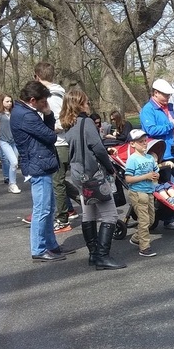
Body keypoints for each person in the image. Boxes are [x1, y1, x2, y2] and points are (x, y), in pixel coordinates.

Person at [61, 90, 126, 270]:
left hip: (78, 173)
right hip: (92, 174)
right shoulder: (86, 122)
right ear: (78, 104)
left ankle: (93, 254)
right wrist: (110, 168)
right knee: (110, 215)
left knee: (88, 213)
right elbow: (98, 148)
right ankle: (102, 256)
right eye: (86, 102)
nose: (88, 104)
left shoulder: (69, 124)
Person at [11, 81, 75, 262]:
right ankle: (39, 249)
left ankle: (51, 245)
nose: (44, 104)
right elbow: (50, 135)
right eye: (43, 101)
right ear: (32, 100)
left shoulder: (24, 111)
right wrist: (48, 114)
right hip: (37, 166)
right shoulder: (26, 116)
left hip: (41, 163)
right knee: (42, 210)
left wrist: (46, 115)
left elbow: (46, 133)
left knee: (48, 208)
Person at [34, 62, 74, 234]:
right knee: (58, 180)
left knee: (57, 182)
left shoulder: (53, 96)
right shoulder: (57, 92)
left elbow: (62, 121)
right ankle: (79, 201)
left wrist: (44, 128)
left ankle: (62, 219)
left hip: (60, 143)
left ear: (37, 77)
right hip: (57, 142)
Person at [139, 78, 174, 230]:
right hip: (161, 152)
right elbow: (151, 130)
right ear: (156, 93)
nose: (168, 98)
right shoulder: (148, 110)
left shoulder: (168, 107)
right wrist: (171, 125)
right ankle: (168, 219)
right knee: (166, 186)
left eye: (169, 95)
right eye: (165, 95)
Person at [125, 129, 159, 257]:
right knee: (144, 221)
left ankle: (136, 238)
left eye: (145, 141)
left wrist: (156, 175)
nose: (145, 143)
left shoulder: (150, 158)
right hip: (138, 193)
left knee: (151, 219)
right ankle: (144, 247)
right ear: (132, 144)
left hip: (149, 192)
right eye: (141, 142)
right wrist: (146, 176)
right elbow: (128, 179)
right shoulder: (132, 159)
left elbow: (156, 171)